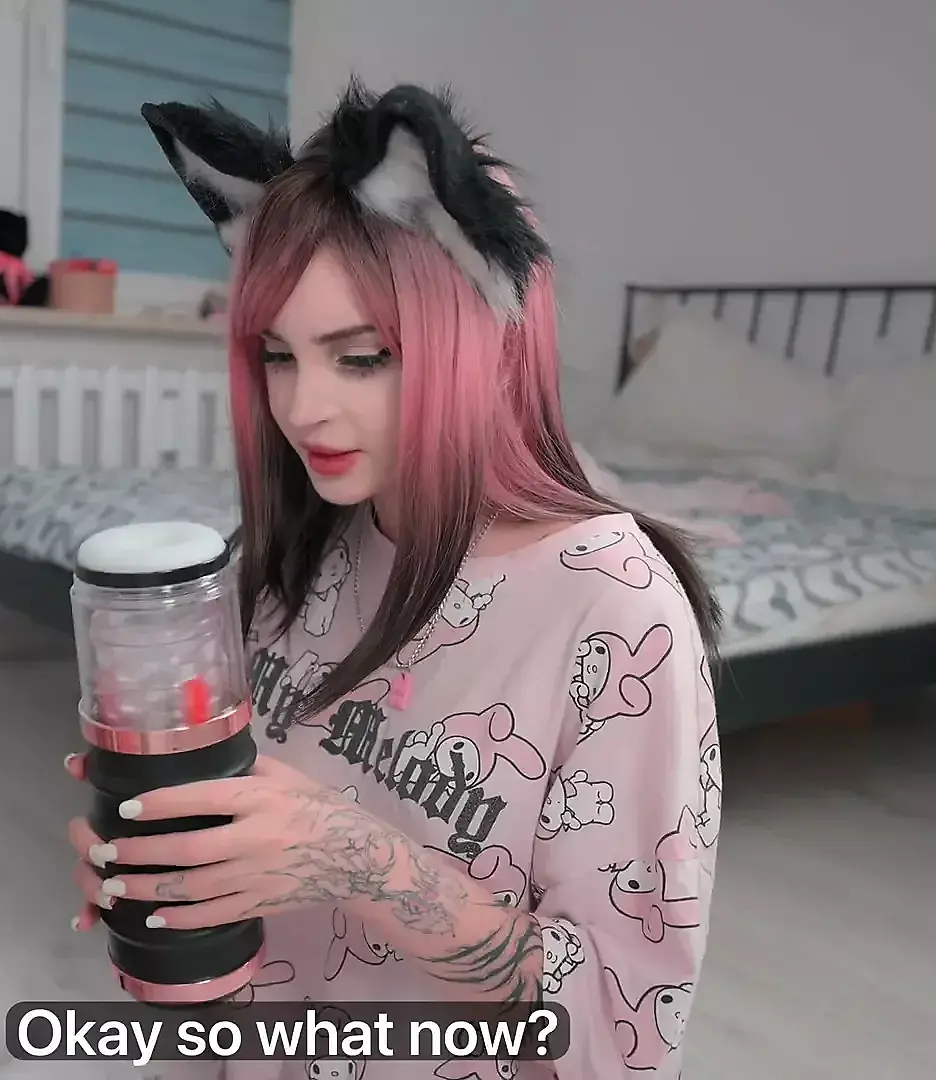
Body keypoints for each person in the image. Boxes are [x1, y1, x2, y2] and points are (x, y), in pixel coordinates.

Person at [62, 80, 724, 1080]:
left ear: (480, 341)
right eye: (278, 356)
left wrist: (360, 863)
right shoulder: (290, 559)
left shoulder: (618, 614)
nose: (303, 410)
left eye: (362, 357)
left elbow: (622, 1034)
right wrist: (170, 879)